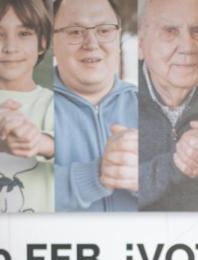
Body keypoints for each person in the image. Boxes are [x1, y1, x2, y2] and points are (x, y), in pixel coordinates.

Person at [0, 0, 55, 213]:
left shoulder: (54, 104)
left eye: (24, 33)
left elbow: (75, 152)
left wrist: (40, 142)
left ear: (42, 42)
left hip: (41, 240)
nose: (10, 47)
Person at [53, 0, 139, 212]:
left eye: (104, 30)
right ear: (52, 42)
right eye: (75, 32)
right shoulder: (32, 107)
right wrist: (95, 175)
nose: (91, 43)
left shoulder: (152, 106)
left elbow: (188, 194)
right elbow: (17, 196)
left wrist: (150, 177)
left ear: (117, 37)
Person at [137, 0, 198, 211]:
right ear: (141, 43)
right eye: (170, 31)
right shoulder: (114, 99)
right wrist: (175, 165)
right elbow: (102, 197)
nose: (187, 47)